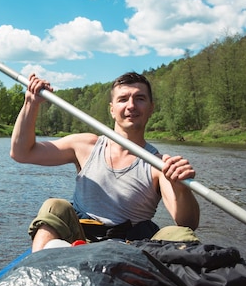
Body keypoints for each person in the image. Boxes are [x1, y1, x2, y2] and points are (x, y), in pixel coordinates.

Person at [10, 72, 200, 252]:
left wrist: (182, 188)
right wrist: (31, 103)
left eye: (140, 99)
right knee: (54, 206)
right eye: (123, 99)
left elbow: (187, 223)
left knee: (181, 235)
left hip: (132, 249)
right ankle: (41, 271)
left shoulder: (160, 165)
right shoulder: (84, 145)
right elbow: (22, 153)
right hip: (80, 241)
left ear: (151, 108)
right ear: (112, 109)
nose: (131, 105)